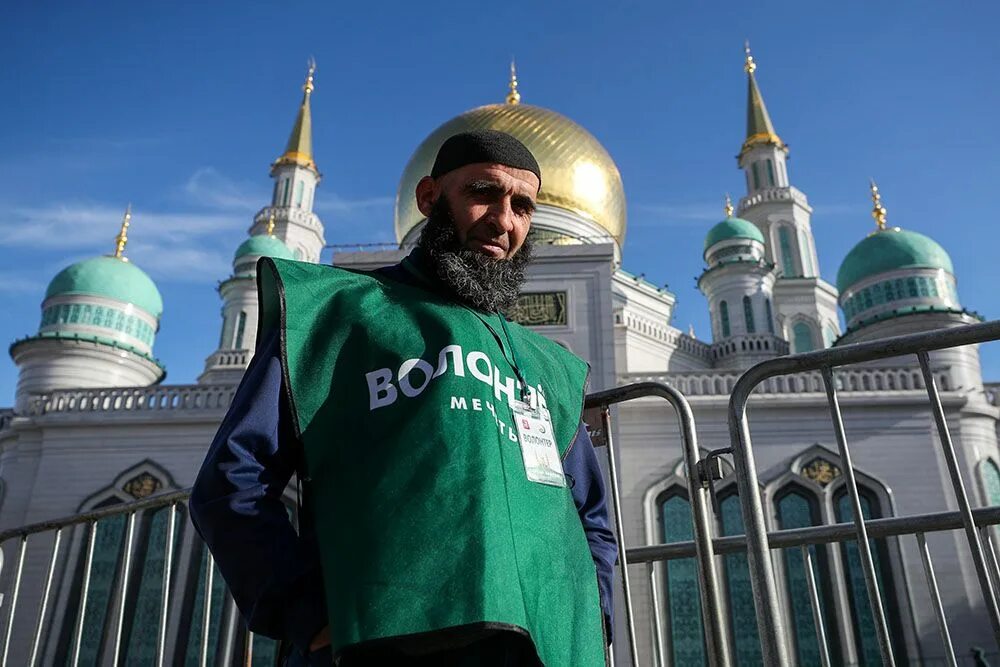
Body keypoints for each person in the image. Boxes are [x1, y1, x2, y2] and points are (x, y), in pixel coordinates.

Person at [190, 129, 617, 666]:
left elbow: (590, 518)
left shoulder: (544, 366)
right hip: (379, 645)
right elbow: (234, 475)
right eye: (483, 192)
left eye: (523, 206)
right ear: (429, 199)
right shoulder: (338, 316)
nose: (504, 220)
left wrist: (590, 624)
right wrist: (308, 613)